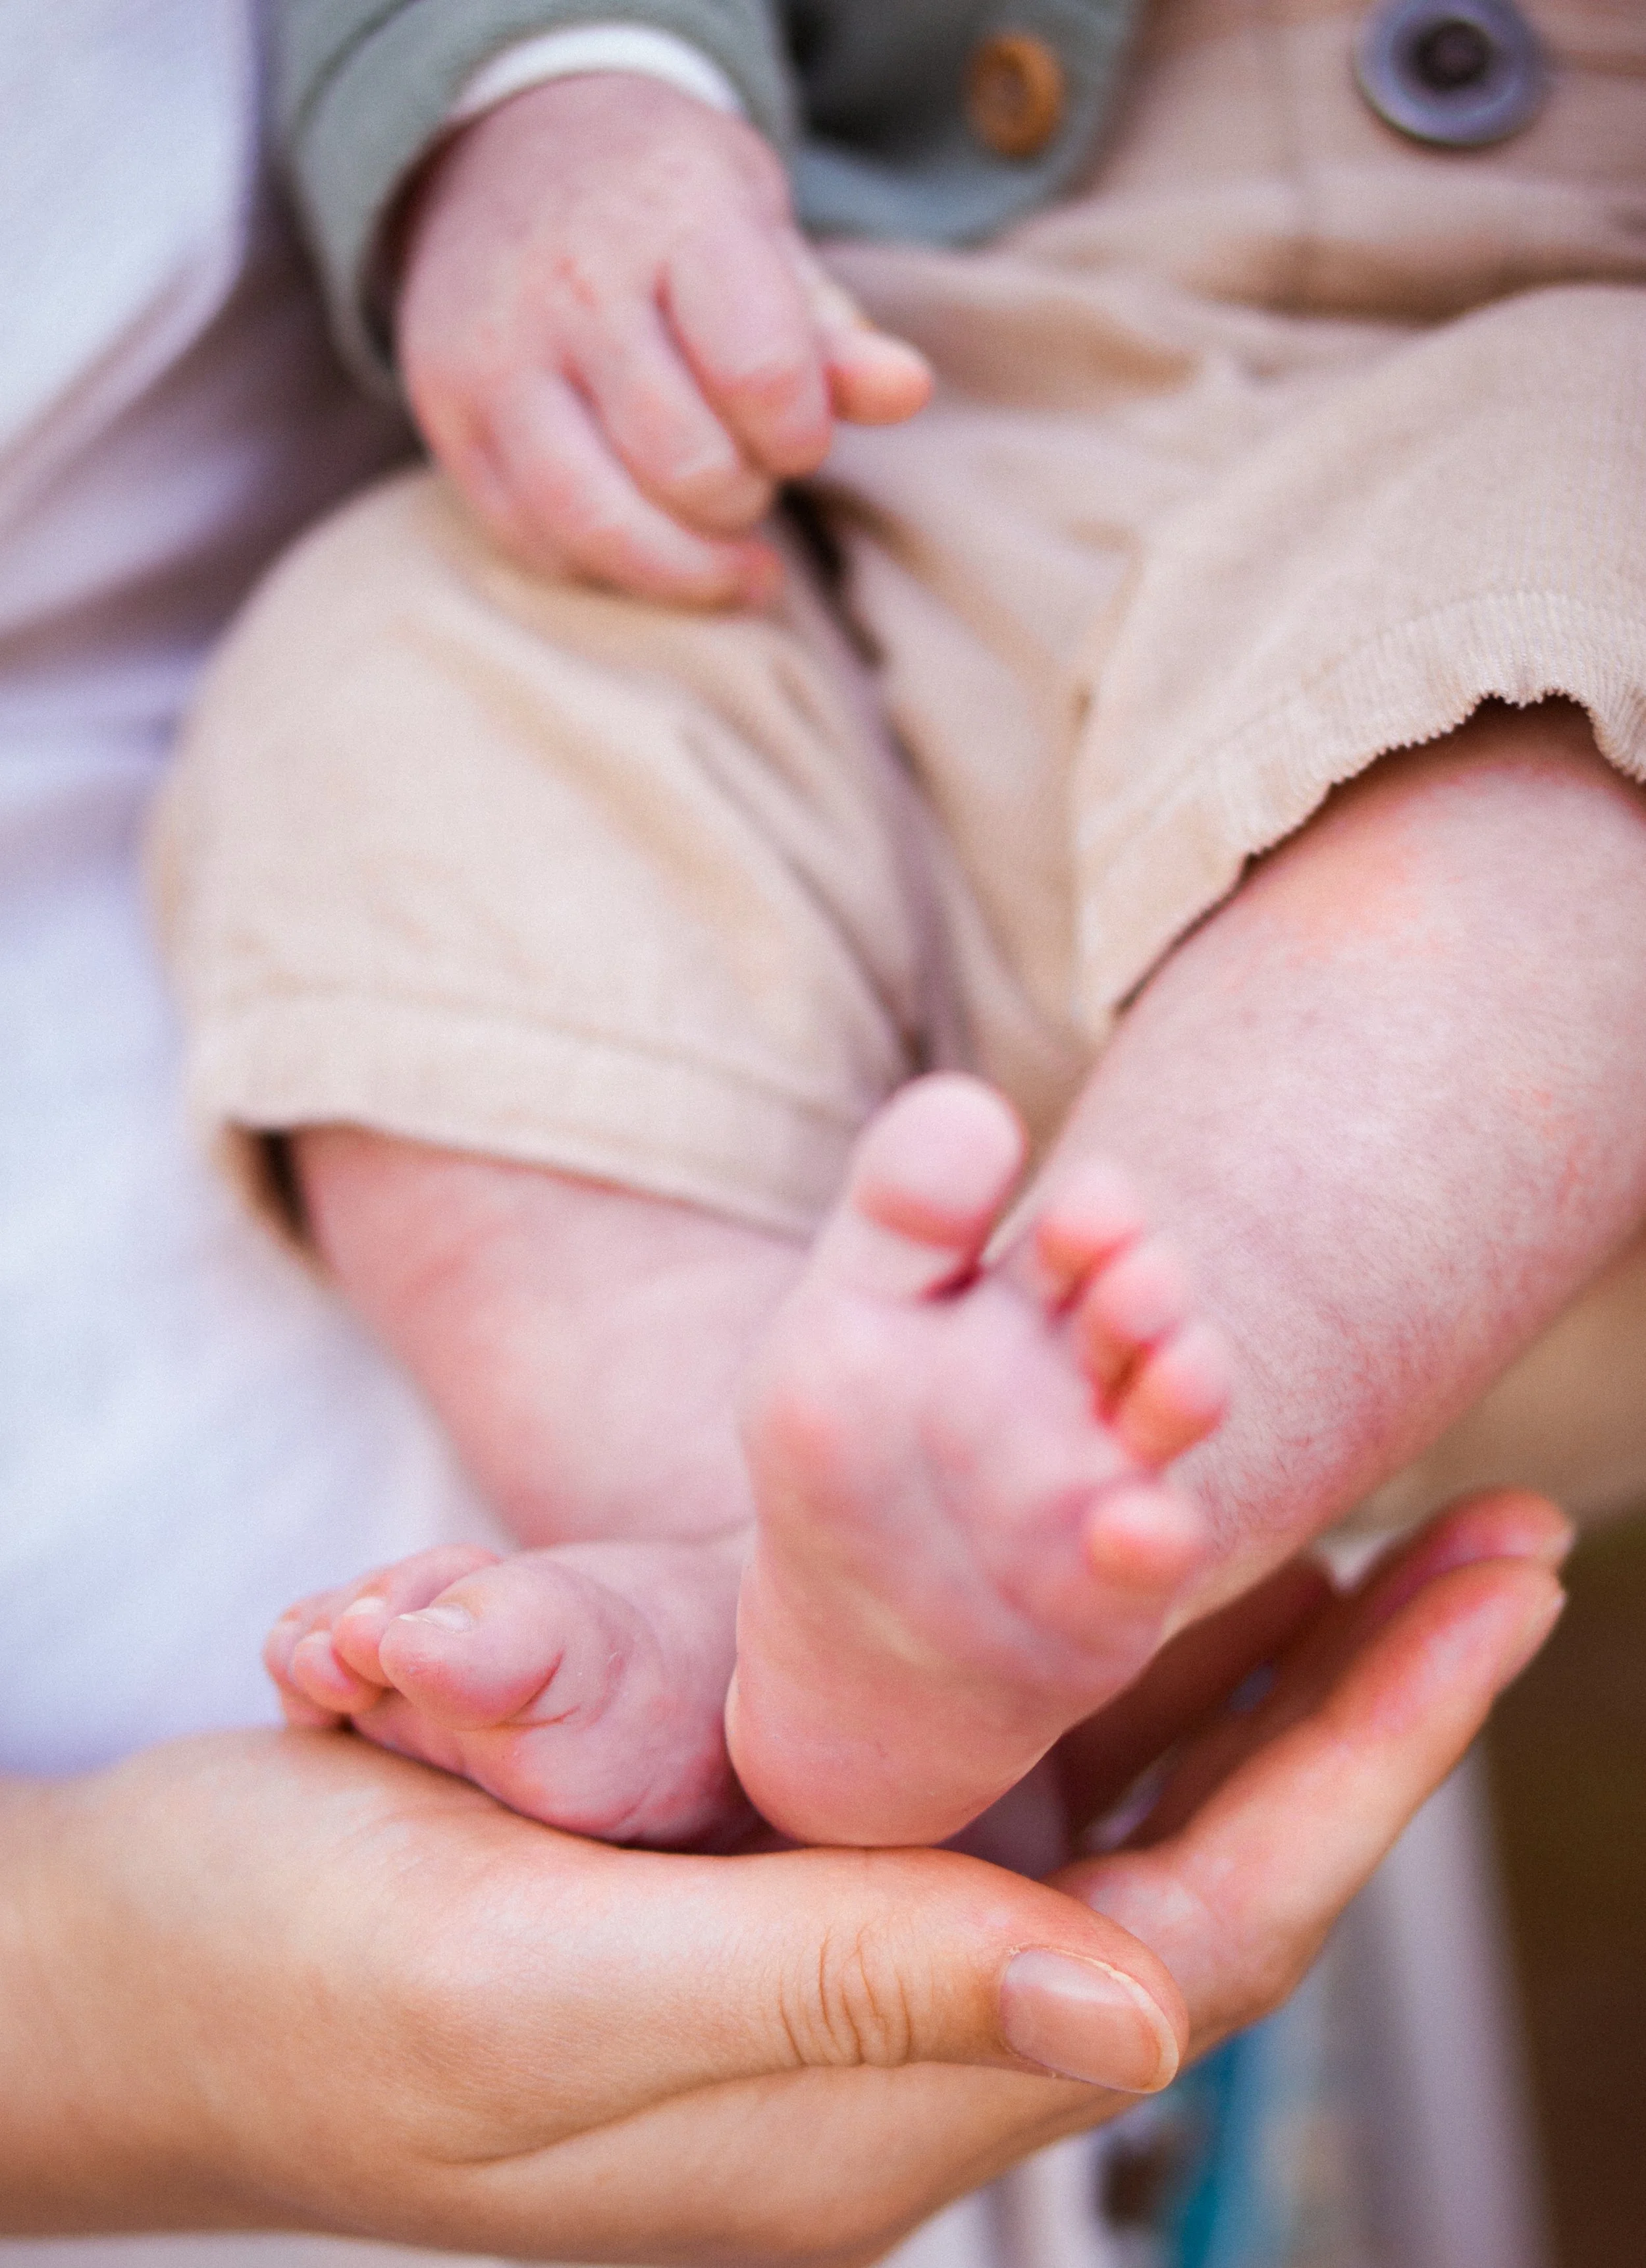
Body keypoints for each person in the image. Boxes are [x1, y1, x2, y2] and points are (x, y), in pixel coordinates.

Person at [0, 11, 1554, 2261]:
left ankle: (1103, 1455)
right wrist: (566, 83)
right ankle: (770, 1573)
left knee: (1546, 742)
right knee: (383, 698)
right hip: (795, 527)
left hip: (1483, 460)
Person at [155, 0, 1646, 1849]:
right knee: (392, 660)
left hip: (1505, 658)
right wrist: (563, 93)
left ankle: (1041, 1511)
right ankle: (754, 1571)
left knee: (1587, 607)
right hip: (846, 471)